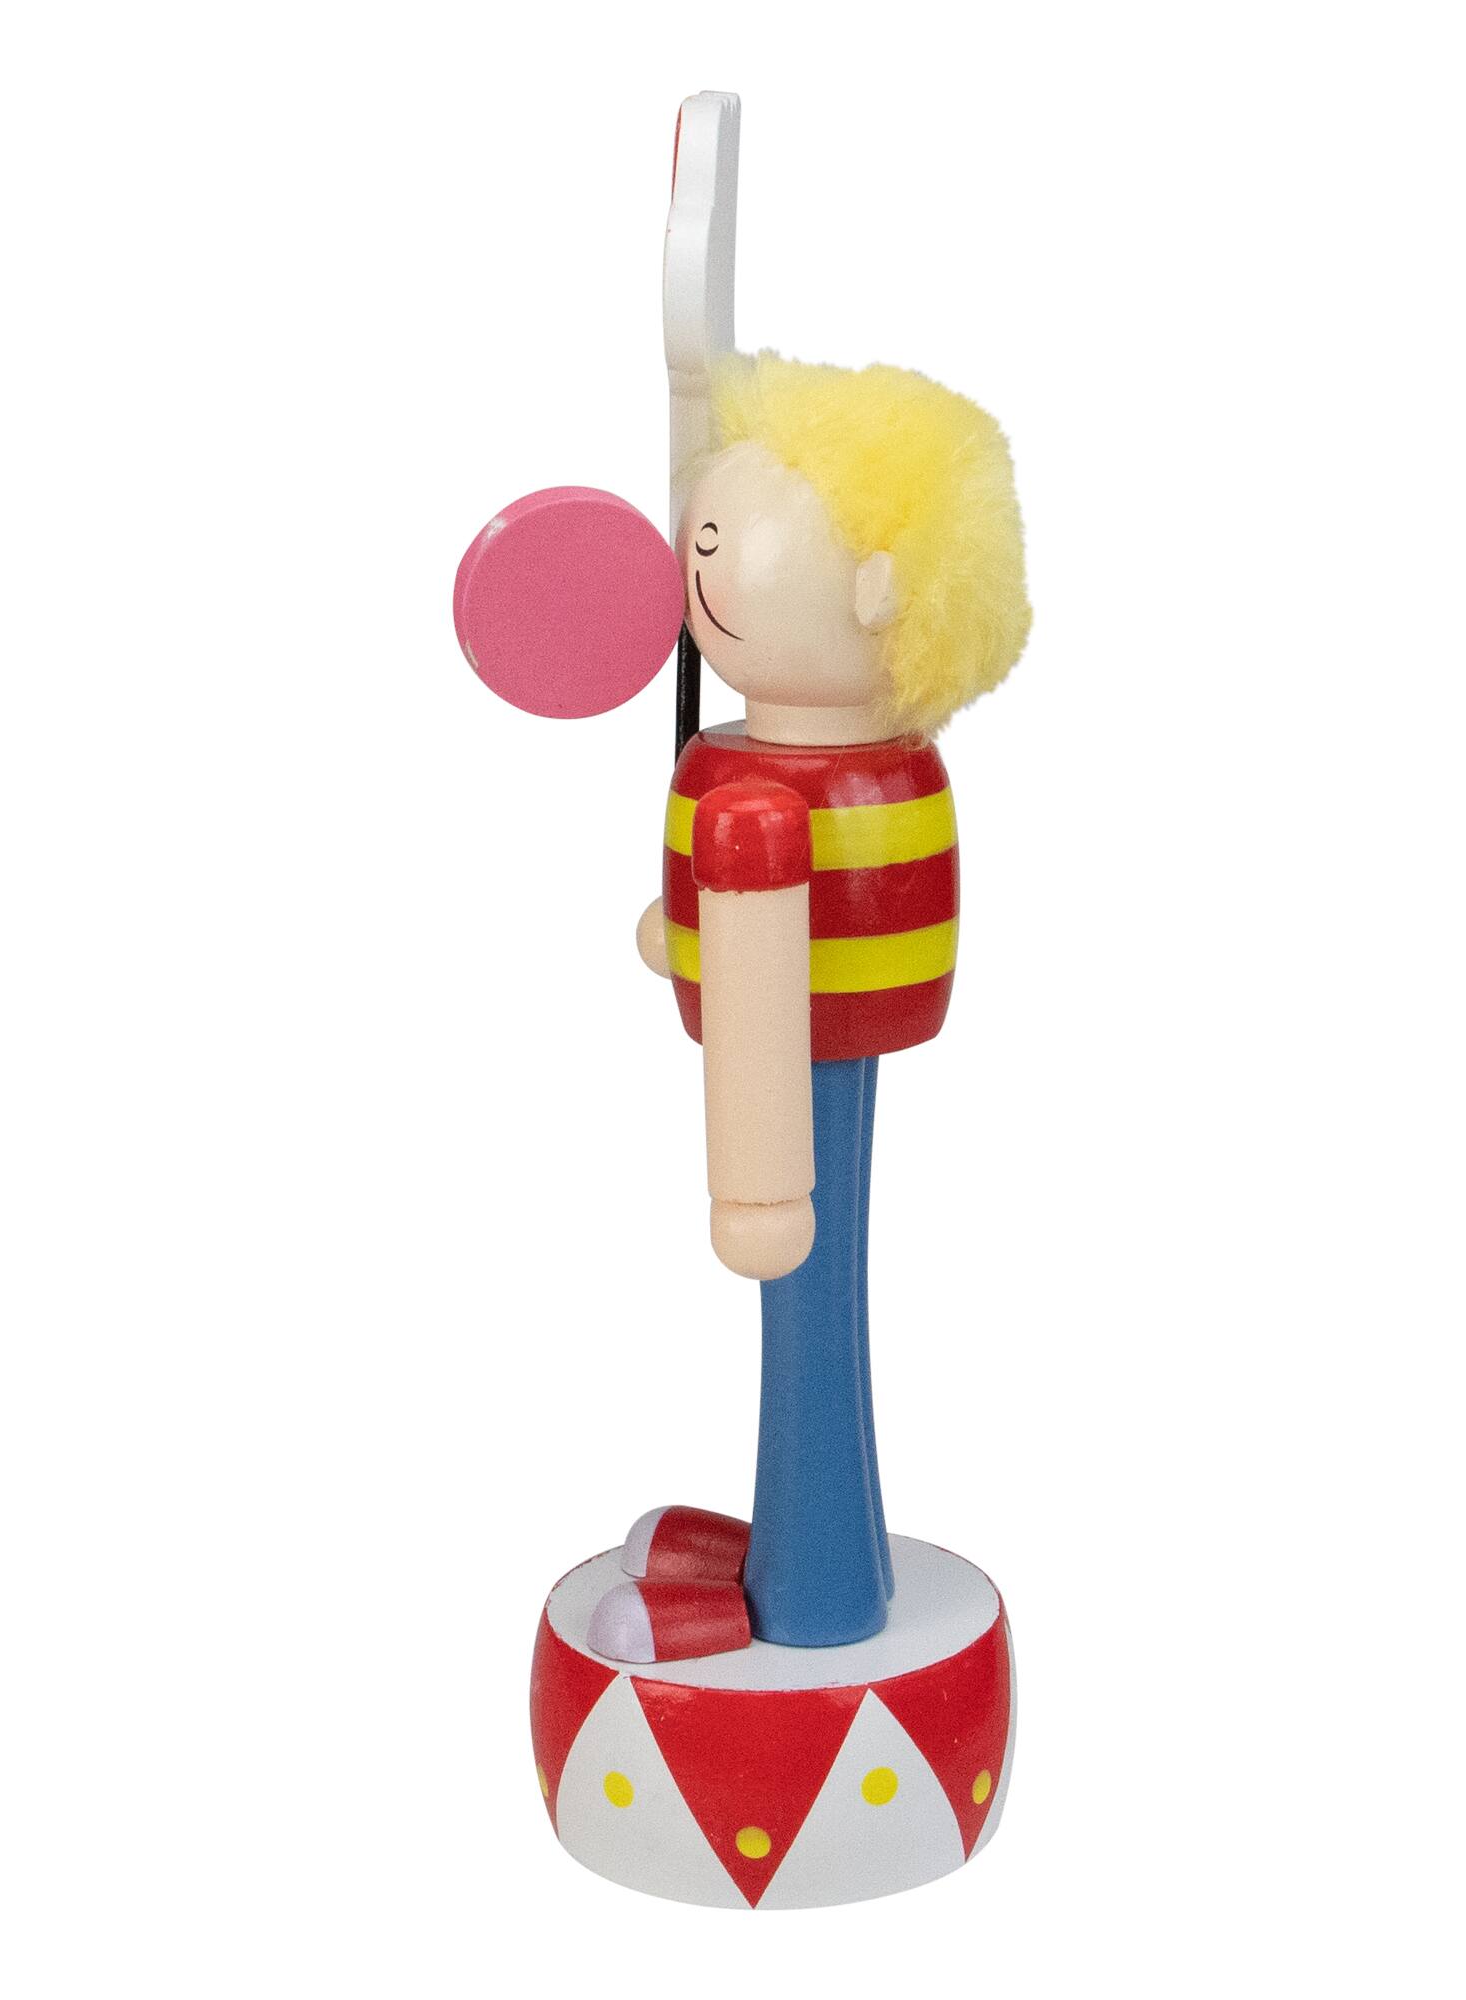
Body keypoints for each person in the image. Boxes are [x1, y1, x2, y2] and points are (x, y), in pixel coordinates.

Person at [587, 351, 1032, 1661]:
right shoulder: (751, 761)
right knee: (812, 1304)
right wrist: (686, 931)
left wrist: (756, 1193)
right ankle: (807, 1542)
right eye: (711, 521)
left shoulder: (793, 795)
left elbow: (774, 944)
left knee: (804, 1274)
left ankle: (814, 1583)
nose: (705, 549)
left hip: (786, 1085)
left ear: (881, 593)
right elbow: (729, 929)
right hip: (773, 1038)